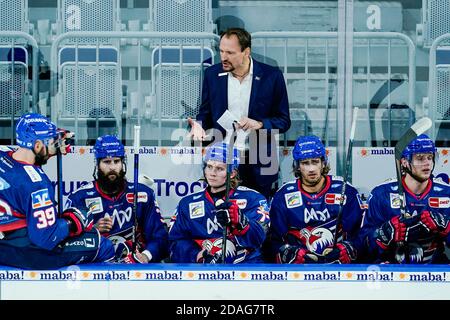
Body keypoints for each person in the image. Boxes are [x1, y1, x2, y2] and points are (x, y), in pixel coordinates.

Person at [0, 113, 115, 269]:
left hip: (6, 241)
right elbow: (46, 238)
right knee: (103, 245)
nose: (54, 148)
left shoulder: (4, 154)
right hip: (25, 252)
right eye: (51, 143)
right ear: (38, 146)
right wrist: (73, 222)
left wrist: (56, 138)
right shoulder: (36, 183)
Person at [188, 27, 290, 199]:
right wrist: (198, 126)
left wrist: (259, 124)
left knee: (257, 219)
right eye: (221, 51)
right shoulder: (212, 74)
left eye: (230, 52)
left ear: (246, 52)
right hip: (223, 160)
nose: (223, 57)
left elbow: (284, 120)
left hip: (259, 159)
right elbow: (205, 113)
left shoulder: (271, 76)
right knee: (222, 215)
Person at [66, 135, 169, 263]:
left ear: (122, 163)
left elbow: (160, 236)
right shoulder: (79, 198)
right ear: (97, 164)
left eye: (116, 161)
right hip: (96, 270)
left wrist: (146, 256)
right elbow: (66, 243)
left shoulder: (142, 194)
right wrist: (92, 232)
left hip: (135, 267)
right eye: (107, 162)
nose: (112, 167)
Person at [268, 135, 364, 264]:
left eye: (315, 162)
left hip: (340, 270)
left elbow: (361, 236)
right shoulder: (283, 196)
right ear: (297, 166)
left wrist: (349, 249)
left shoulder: (346, 191)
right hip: (298, 271)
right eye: (305, 163)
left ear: (323, 163)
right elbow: (272, 242)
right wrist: (286, 252)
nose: (311, 169)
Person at [168, 142, 270, 263]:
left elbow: (261, 238)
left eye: (220, 169)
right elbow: (174, 242)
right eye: (209, 167)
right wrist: (197, 255)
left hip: (246, 271)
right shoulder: (187, 203)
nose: (212, 173)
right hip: (203, 272)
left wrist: (242, 223)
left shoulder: (253, 199)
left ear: (232, 173)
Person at [360, 134, 450, 264]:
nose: (427, 163)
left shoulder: (446, 193)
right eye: (420, 158)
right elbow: (363, 243)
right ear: (404, 162)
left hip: (434, 272)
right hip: (392, 272)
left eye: (430, 157)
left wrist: (447, 227)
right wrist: (383, 234)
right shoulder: (382, 194)